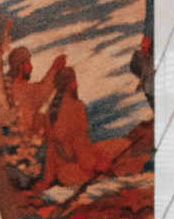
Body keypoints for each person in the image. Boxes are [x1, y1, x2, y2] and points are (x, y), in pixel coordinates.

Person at [36, 65, 128, 195]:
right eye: (75, 81)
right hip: (77, 167)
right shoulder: (75, 106)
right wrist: (95, 164)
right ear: (71, 85)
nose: (77, 84)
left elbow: (51, 150)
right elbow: (79, 145)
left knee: (119, 145)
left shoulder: (50, 111)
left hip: (62, 171)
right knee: (123, 147)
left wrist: (47, 180)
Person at [7, 44, 65, 139]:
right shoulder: (18, 88)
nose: (31, 67)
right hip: (29, 138)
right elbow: (41, 93)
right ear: (20, 66)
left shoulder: (18, 86)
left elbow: (39, 88)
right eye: (28, 63)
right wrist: (55, 68)